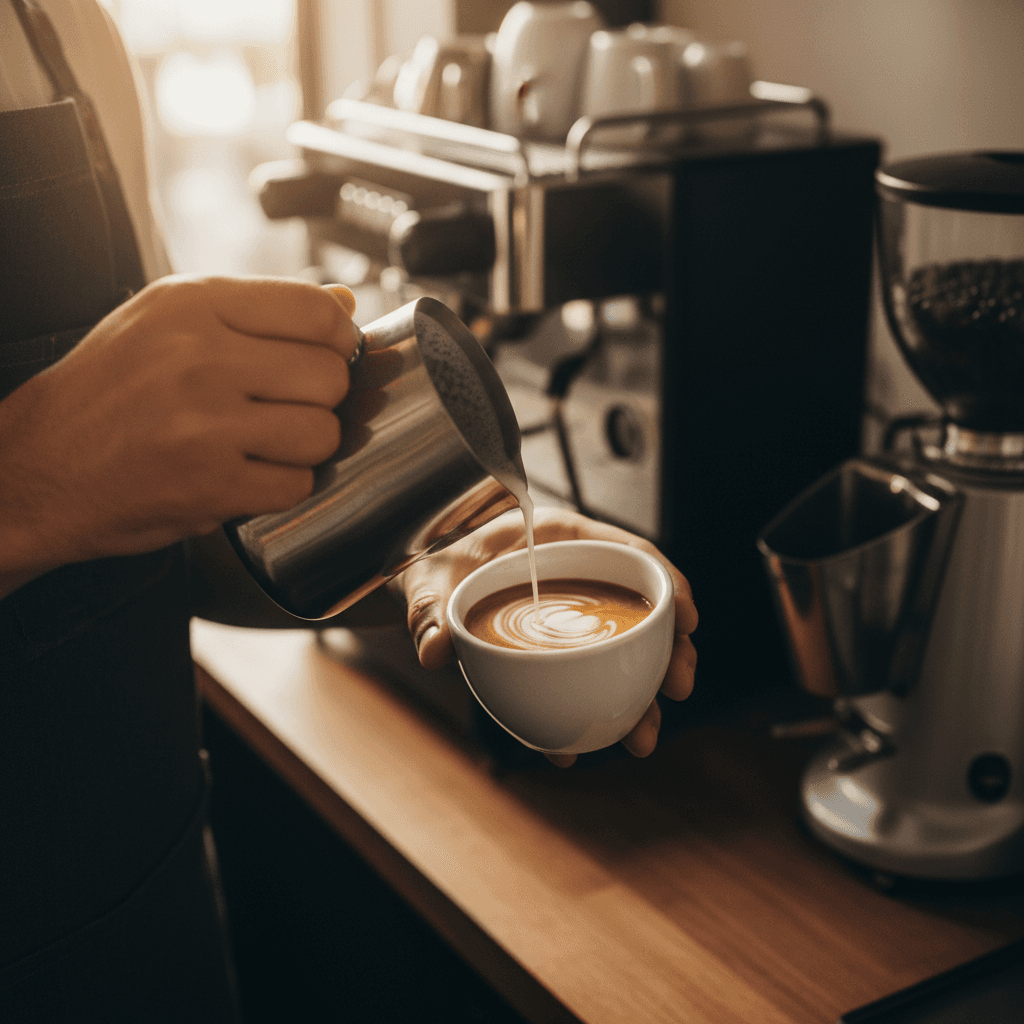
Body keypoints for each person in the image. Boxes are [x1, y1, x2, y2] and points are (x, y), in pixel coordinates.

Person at [0, 1, 698, 1020]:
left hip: (149, 923)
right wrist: (30, 476)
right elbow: (66, 486)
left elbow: (150, 536)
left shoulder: (62, 31)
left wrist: (415, 555)